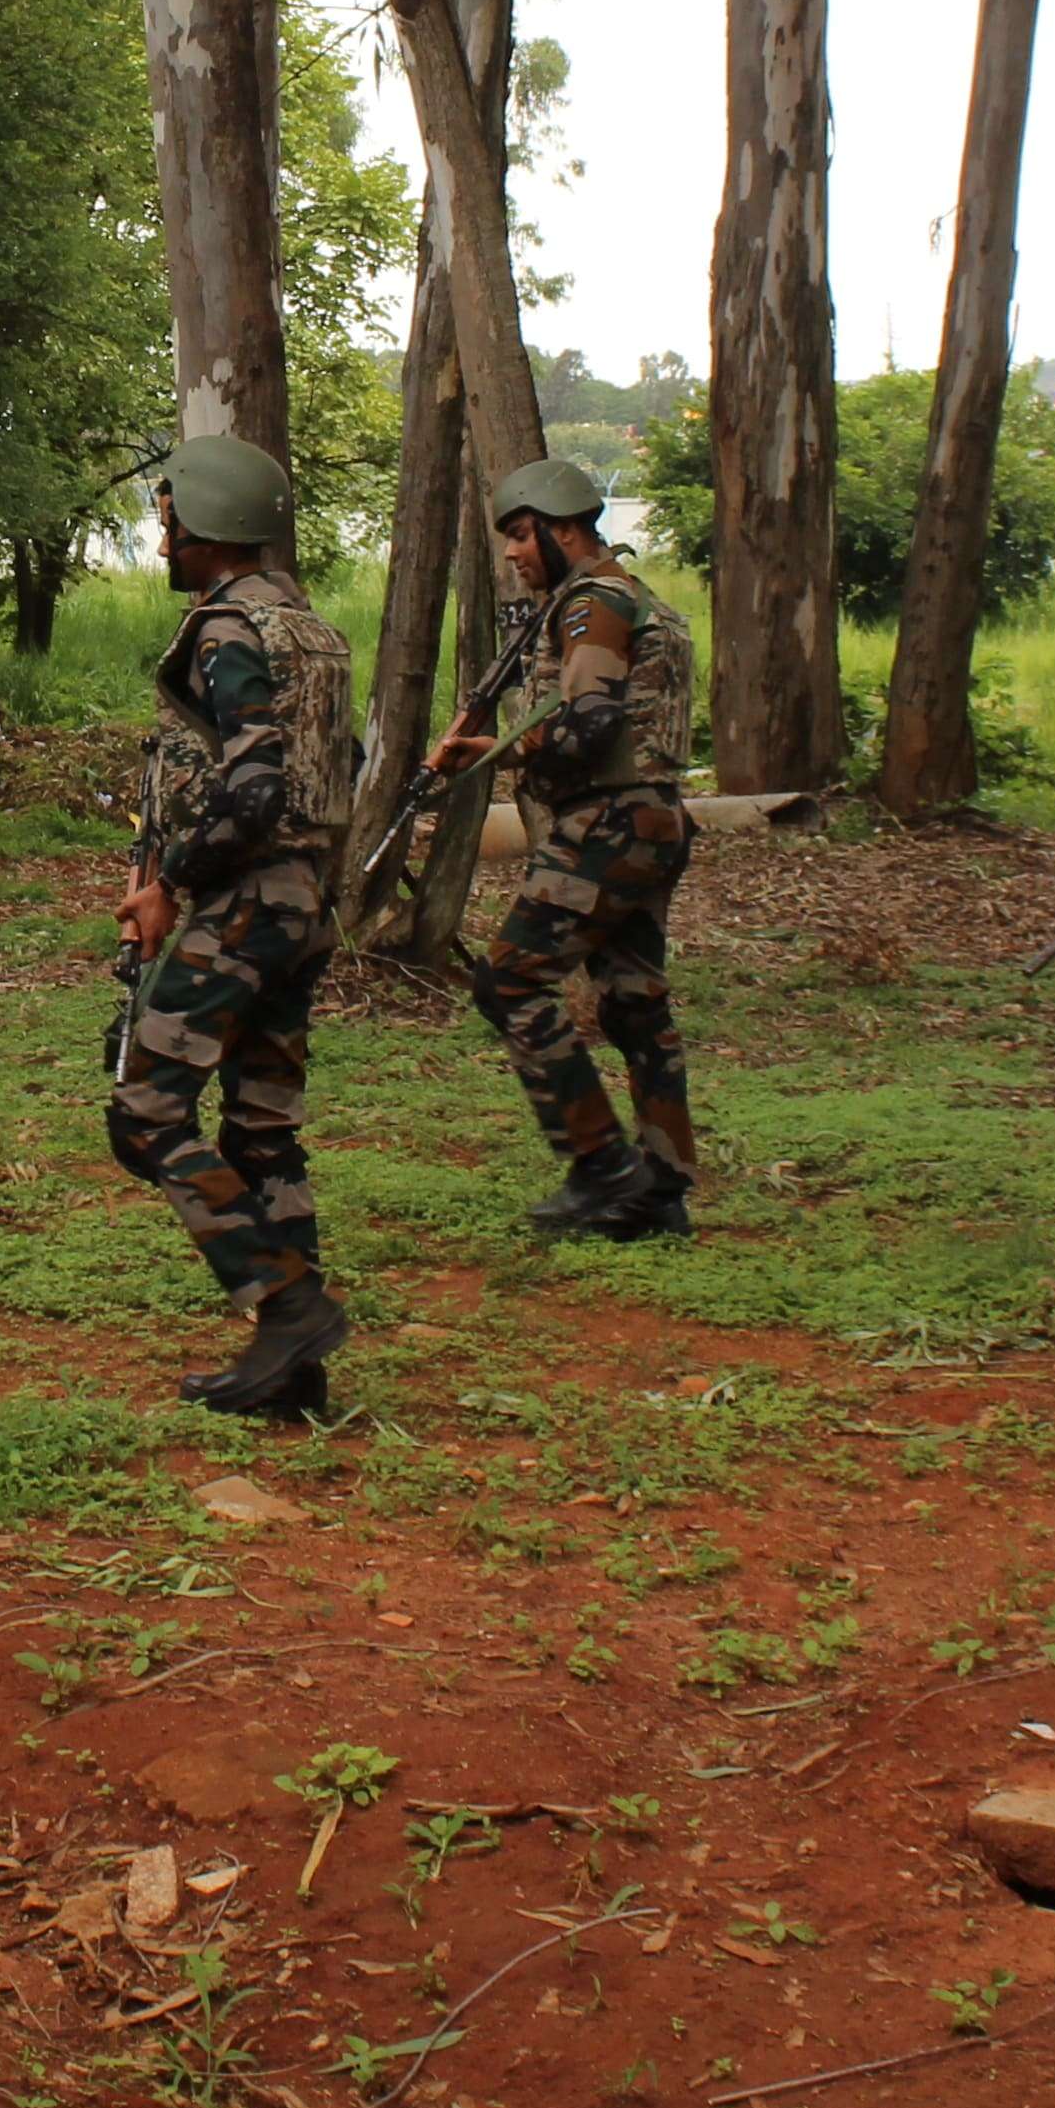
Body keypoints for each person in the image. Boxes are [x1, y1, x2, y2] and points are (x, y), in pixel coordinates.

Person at [107, 436, 360, 1422]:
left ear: (202, 521)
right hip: (306, 908)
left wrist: (173, 882)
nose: (163, 534)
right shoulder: (312, 630)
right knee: (262, 1126)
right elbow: (337, 760)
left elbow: (254, 783)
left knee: (148, 1111)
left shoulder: (226, 631)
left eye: (169, 516)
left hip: (247, 903)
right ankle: (291, 1373)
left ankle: (289, 1308)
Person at [423, 457, 701, 1242]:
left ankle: (602, 1165)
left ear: (564, 529)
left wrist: (507, 750)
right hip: (653, 821)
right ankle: (661, 1187)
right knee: (634, 1002)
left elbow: (589, 726)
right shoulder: (632, 597)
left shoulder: (591, 603)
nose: (513, 554)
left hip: (609, 825)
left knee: (508, 981)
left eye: (520, 535)